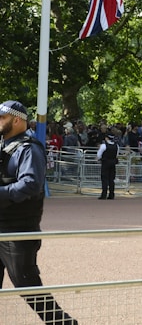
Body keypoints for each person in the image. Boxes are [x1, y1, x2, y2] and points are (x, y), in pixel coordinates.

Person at [0, 100, 78, 324]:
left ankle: (64, 324)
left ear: (16, 120)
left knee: (29, 289)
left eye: (2, 118)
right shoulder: (3, 146)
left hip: (18, 232)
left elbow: (31, 185)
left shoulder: (29, 148)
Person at [96, 132, 119, 200]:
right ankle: (111, 194)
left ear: (106, 138)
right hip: (113, 163)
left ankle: (104, 194)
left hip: (105, 163)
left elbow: (99, 155)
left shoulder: (104, 146)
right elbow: (116, 155)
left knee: (104, 179)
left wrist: (98, 159)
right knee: (111, 179)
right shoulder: (116, 146)